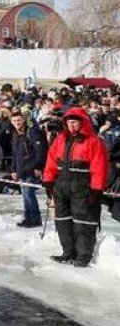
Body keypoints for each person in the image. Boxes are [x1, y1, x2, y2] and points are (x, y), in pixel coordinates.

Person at [43, 107, 109, 267]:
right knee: (63, 221)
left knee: (83, 222)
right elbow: (51, 160)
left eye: (75, 122)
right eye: (69, 122)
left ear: (82, 122)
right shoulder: (60, 140)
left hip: (83, 188)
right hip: (62, 187)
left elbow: (100, 166)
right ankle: (68, 252)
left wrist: (96, 189)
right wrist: (48, 181)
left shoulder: (94, 141)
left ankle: (83, 255)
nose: (71, 125)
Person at [10, 109, 48, 228]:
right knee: (25, 195)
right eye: (15, 121)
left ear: (24, 120)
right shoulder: (15, 134)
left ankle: (35, 219)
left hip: (31, 169)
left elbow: (41, 151)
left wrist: (38, 167)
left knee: (29, 194)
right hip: (21, 169)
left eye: (19, 120)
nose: (17, 122)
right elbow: (15, 154)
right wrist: (13, 169)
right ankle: (28, 218)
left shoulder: (32, 132)